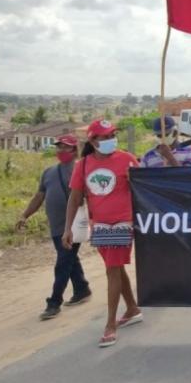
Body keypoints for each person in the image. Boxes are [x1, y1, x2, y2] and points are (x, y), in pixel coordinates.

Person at [63, 120, 141, 348]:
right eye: (104, 137)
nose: (110, 141)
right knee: (115, 267)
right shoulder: (83, 165)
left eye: (112, 136)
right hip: (99, 226)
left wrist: (134, 177)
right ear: (93, 141)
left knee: (111, 271)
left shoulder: (127, 159)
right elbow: (75, 198)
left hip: (123, 223)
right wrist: (67, 228)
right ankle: (133, 309)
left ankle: (110, 325)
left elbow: (144, 187)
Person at [17, 134, 92, 320]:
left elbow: (89, 196)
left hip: (73, 226)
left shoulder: (81, 169)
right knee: (69, 259)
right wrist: (25, 215)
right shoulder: (48, 172)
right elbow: (39, 196)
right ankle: (82, 289)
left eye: (65, 147)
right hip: (56, 226)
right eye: (58, 147)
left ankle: (54, 302)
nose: (60, 150)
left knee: (63, 263)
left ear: (74, 150)